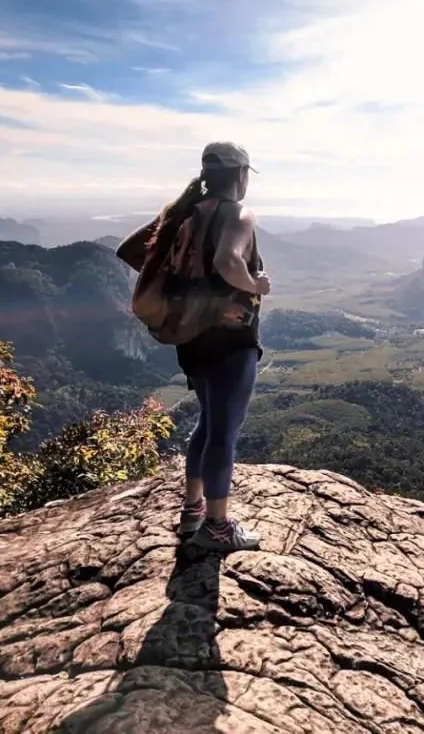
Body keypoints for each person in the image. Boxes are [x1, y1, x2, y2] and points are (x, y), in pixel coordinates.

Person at [116, 141, 270, 553]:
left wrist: (179, 281)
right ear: (240, 175)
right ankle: (217, 528)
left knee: (208, 420)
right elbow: (228, 262)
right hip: (230, 339)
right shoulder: (238, 213)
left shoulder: (182, 212)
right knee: (224, 431)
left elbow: (129, 250)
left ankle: (192, 511)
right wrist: (256, 285)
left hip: (190, 337)